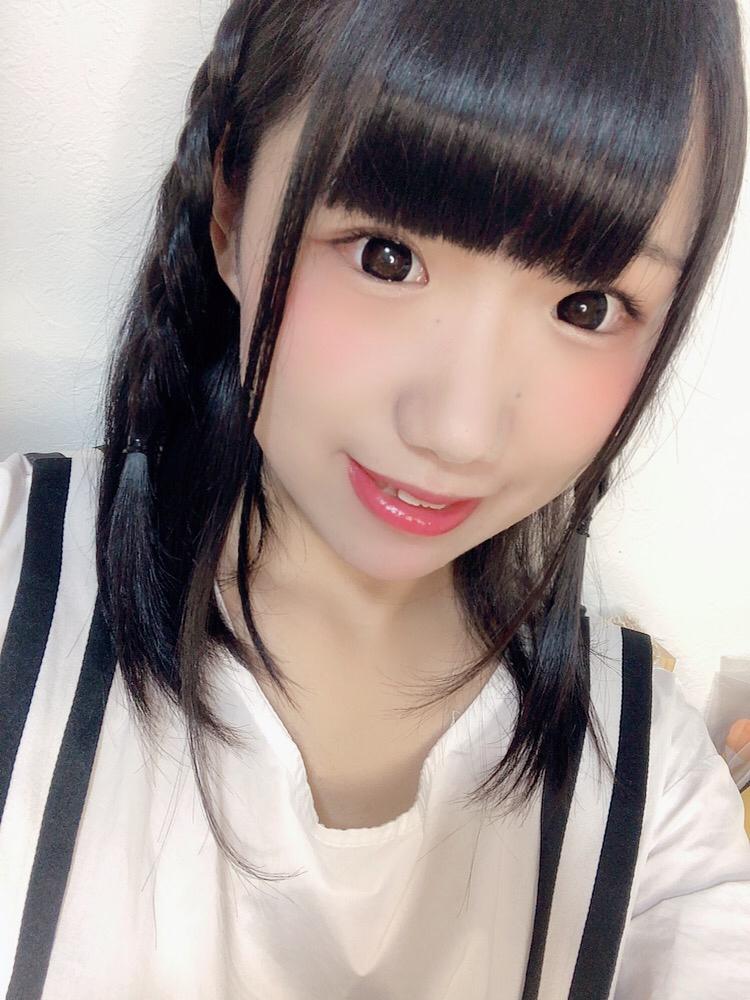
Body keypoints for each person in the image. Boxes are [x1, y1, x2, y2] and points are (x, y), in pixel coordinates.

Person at [1, 0, 749, 997]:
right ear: (231, 213)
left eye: (586, 306)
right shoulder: (18, 575)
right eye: (385, 256)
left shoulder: (649, 788)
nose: (459, 429)